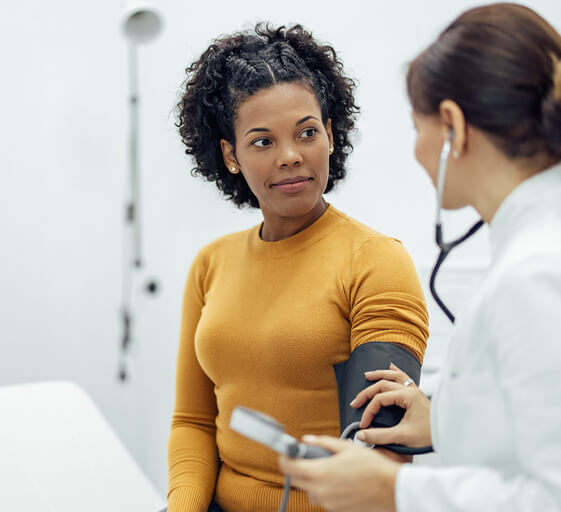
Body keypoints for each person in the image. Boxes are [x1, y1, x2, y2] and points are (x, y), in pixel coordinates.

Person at [279, 3, 561, 512]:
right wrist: (446, 419)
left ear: (452, 127)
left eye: (418, 128)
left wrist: (392, 491)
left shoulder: (545, 276)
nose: (417, 151)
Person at [167, 24, 430, 512]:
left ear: (330, 136)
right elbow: (193, 422)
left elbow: (378, 451)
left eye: (307, 133)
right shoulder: (211, 265)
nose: (290, 156)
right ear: (230, 155)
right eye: (263, 142)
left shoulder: (375, 262)